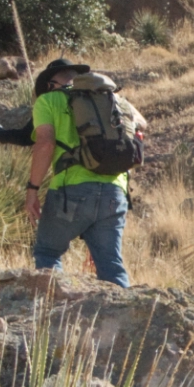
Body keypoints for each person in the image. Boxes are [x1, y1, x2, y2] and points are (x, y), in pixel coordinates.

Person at [23, 57, 130, 286]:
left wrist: (32, 190)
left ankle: (56, 312)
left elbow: (45, 144)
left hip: (70, 190)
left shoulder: (48, 101)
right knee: (111, 264)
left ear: (51, 84)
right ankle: (125, 317)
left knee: (47, 252)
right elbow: (140, 125)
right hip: (115, 191)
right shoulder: (112, 99)